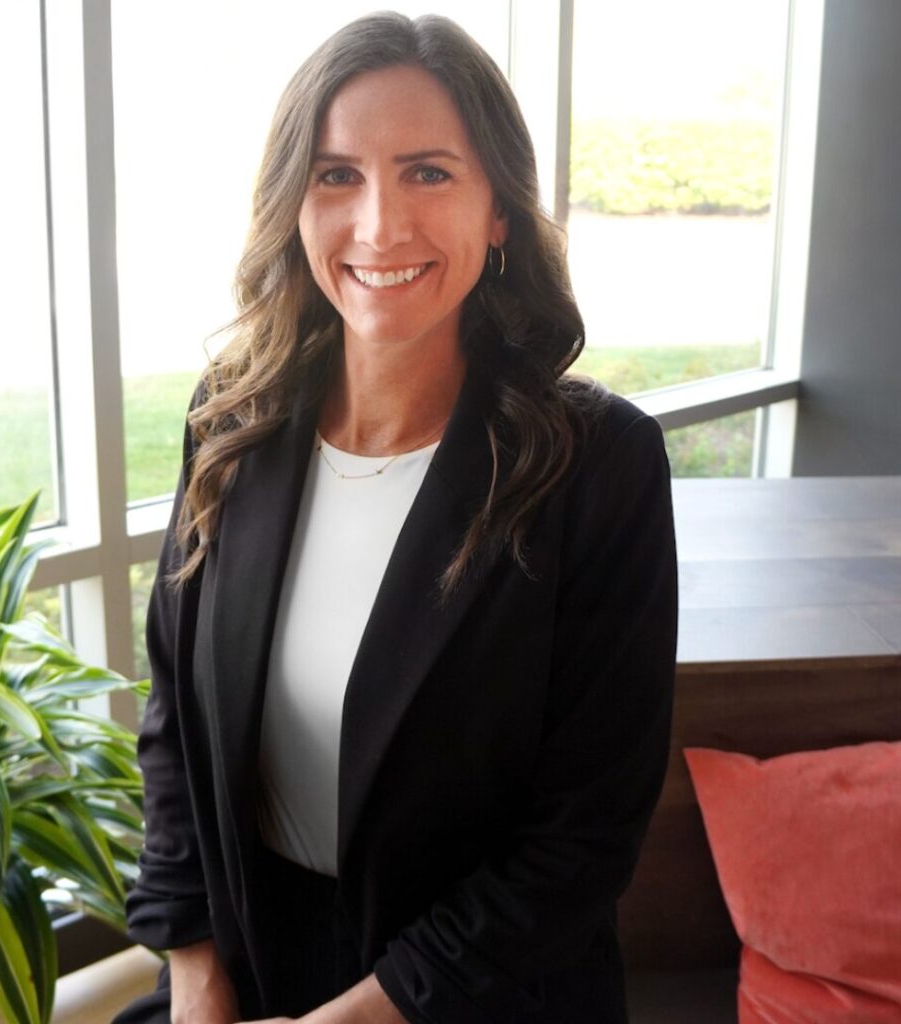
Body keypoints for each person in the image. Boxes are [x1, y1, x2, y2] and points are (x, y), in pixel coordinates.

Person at [116, 12, 677, 1024]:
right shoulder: (231, 419)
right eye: (336, 176)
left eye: (427, 172)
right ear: (291, 203)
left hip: (475, 995)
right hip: (246, 972)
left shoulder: (599, 468)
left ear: (499, 209)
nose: (379, 226)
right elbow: (173, 720)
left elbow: (582, 840)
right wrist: (196, 972)